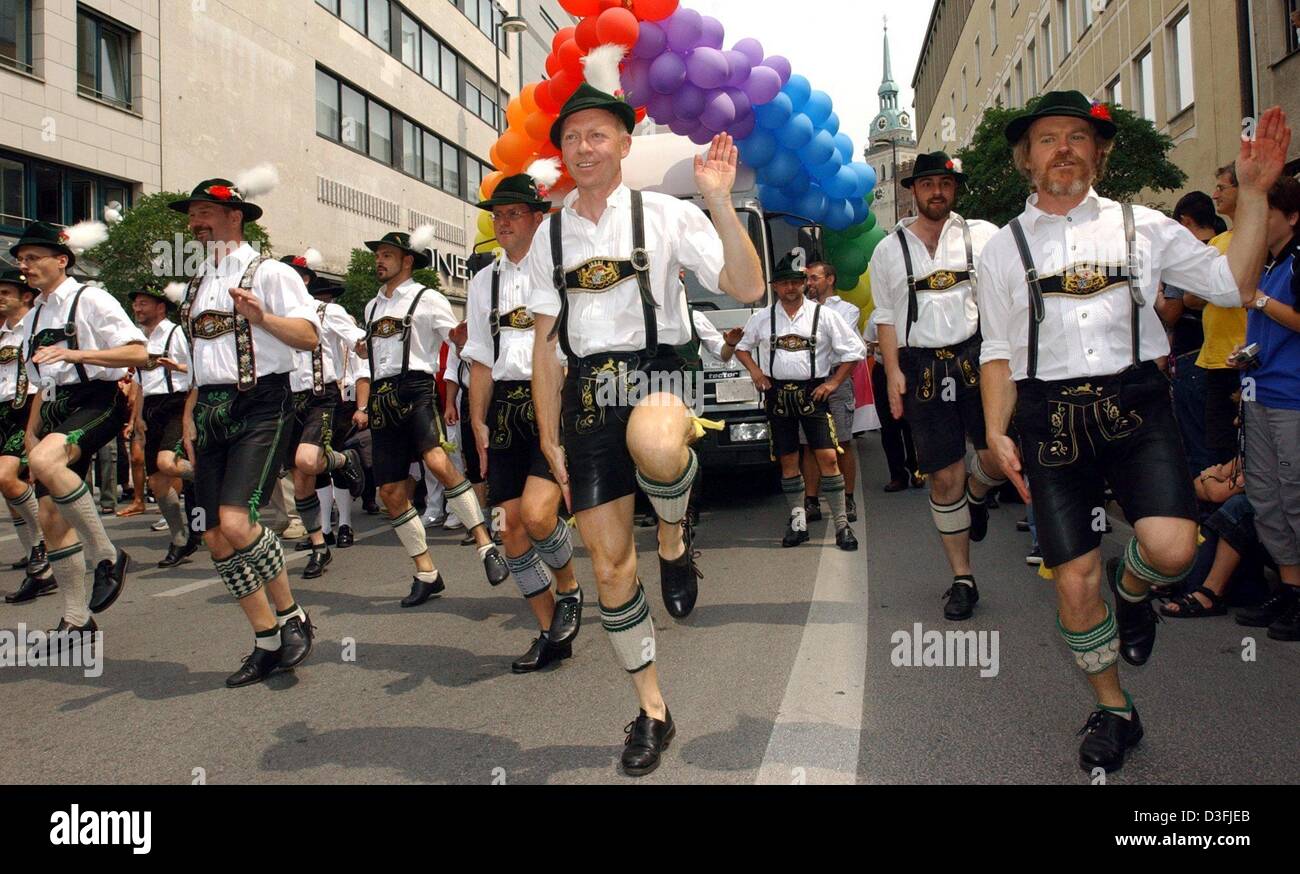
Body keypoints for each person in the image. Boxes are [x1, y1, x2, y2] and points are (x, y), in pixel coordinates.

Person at [978, 92, 1290, 772]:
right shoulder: (1003, 249)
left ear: (1098, 152)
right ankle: (1115, 708)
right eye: (1047, 138)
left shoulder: (1144, 227)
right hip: (1049, 420)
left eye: (1077, 137)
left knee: (1175, 552)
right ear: (1026, 159)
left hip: (1136, 405)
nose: (1063, 147)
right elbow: (997, 351)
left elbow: (1233, 285)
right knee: (1074, 582)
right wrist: (996, 431)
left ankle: (1136, 586)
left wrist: (1257, 196)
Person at [528, 67, 764, 775]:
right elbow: (545, 348)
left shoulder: (666, 215)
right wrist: (549, 434)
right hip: (589, 392)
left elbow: (747, 288)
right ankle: (653, 710)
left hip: (660, 368)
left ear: (624, 144)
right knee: (607, 570)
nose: (583, 147)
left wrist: (720, 203)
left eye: (596, 134)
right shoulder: (551, 239)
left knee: (658, 442)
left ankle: (672, 536)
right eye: (571, 138)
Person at [171, 177, 320, 688]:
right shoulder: (196, 284)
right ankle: (266, 639)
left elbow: (308, 336)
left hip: (259, 401)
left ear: (235, 216)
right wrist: (190, 413)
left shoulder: (271, 272)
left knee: (237, 521)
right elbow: (200, 361)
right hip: (211, 407)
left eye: (204, 213)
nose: (195, 223)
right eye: (191, 215)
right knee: (214, 535)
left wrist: (263, 316)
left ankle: (292, 614)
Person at [870, 151, 1004, 620]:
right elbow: (885, 316)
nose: (936, 192)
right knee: (944, 478)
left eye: (945, 183)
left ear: (955, 189)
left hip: (976, 357)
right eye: (927, 184)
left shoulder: (983, 236)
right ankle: (962, 577)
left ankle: (981, 492)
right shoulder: (889, 249)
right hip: (920, 365)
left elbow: (1003, 300)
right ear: (913, 190)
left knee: (997, 457)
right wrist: (891, 374)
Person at [465, 169, 586, 672]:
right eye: (498, 215)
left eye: (515, 213)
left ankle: (571, 588)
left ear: (540, 218)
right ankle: (547, 631)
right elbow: (479, 358)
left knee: (538, 515)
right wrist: (476, 422)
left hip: (554, 397)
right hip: (504, 407)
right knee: (509, 530)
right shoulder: (482, 282)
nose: (504, 222)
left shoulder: (564, 270)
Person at [12, 220, 145, 653]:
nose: (24, 265)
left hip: (96, 399)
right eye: (21, 259)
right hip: (54, 406)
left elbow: (137, 352)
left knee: (48, 464)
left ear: (61, 260)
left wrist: (76, 352)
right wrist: (32, 431)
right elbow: (40, 383)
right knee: (51, 519)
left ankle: (108, 554)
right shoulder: (34, 315)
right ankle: (76, 619)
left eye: (33, 258)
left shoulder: (91, 298)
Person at [358, 231, 508, 606]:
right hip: (382, 397)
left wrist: (464, 338)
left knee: (438, 461)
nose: (380, 261)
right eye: (378, 255)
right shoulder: (371, 308)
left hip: (417, 390)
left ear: (407, 261)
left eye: (387, 255)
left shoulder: (429, 299)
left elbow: (458, 341)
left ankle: (485, 544)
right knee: (390, 492)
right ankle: (426, 572)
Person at [734, 252, 865, 551]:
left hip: (813, 393)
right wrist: (756, 373)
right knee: (789, 460)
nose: (790, 288)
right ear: (775, 287)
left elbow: (854, 352)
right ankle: (798, 522)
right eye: (784, 283)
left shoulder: (825, 316)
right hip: (778, 395)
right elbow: (742, 347)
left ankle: (842, 526)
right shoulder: (762, 318)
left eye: (795, 282)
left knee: (829, 457)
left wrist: (832, 383)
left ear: (804, 284)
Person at [1231, 174, 1300, 641]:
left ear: (1291, 216)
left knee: (1295, 496)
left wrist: (1259, 299)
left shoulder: (1293, 264)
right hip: (1259, 395)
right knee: (1267, 499)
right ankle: (1291, 590)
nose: (1254, 223)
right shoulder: (1270, 264)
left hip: (1292, 398)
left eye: (1264, 213)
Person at [279, 254, 364, 579]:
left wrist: (363, 347)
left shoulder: (328, 311)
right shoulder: (271, 315)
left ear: (305, 280)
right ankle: (318, 546)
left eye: (292, 275)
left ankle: (344, 461)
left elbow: (357, 341)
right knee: (301, 479)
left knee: (306, 461)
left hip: (320, 396)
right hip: (287, 400)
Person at [130, 284, 201, 568]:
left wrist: (177, 367)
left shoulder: (177, 333)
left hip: (177, 403)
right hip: (151, 407)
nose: (137, 308)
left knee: (168, 464)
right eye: (136, 304)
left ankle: (206, 474)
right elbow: (138, 381)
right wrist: (136, 417)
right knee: (157, 482)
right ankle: (181, 538)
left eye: (143, 303)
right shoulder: (138, 339)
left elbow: (197, 370)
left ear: (160, 307)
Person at [1155, 191, 1221, 477]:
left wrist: (1156, 295)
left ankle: (1206, 514)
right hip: (1225, 357)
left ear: (1185, 221)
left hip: (1192, 355)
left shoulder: (1183, 260)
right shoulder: (1224, 246)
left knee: (1197, 441)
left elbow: (1172, 312)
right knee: (1221, 442)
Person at [0, 269, 52, 604]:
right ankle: (39, 566)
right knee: (9, 492)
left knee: (5, 478)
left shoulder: (34, 328)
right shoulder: (2, 332)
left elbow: (43, 380)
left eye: (6, 292)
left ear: (26, 296)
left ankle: (41, 549)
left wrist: (33, 427)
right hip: (2, 411)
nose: (0, 298)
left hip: (28, 410)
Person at [1196, 163, 1249, 465]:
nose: (1214, 194)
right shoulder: (1218, 241)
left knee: (1244, 452)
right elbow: (1192, 295)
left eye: (1222, 187)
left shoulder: (1258, 239)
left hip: (1244, 358)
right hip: (1214, 358)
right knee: (1219, 448)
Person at [801, 261, 862, 523]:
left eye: (814, 278)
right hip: (807, 380)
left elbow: (837, 341)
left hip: (835, 378)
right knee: (808, 444)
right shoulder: (799, 309)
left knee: (842, 443)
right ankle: (811, 500)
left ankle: (848, 499)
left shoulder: (847, 310)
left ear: (830, 279)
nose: (809, 284)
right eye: (807, 280)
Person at [863, 308, 921, 492]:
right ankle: (897, 475)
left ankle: (918, 470)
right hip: (883, 370)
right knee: (889, 426)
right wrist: (876, 345)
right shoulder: (876, 315)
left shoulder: (913, 308)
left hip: (909, 369)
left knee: (912, 424)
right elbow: (866, 344)